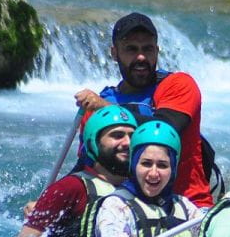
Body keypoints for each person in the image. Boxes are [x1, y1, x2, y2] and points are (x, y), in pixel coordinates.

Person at [73, 12, 215, 208]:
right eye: (131, 49)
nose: (141, 57)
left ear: (157, 51)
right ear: (114, 53)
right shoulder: (98, 104)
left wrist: (105, 108)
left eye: (147, 49)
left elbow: (166, 129)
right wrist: (52, 200)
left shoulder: (180, 85)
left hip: (187, 208)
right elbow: (86, 166)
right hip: (125, 212)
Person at [17, 106, 138, 237]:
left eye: (132, 136)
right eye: (117, 135)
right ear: (94, 143)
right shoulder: (71, 187)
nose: (127, 143)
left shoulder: (141, 189)